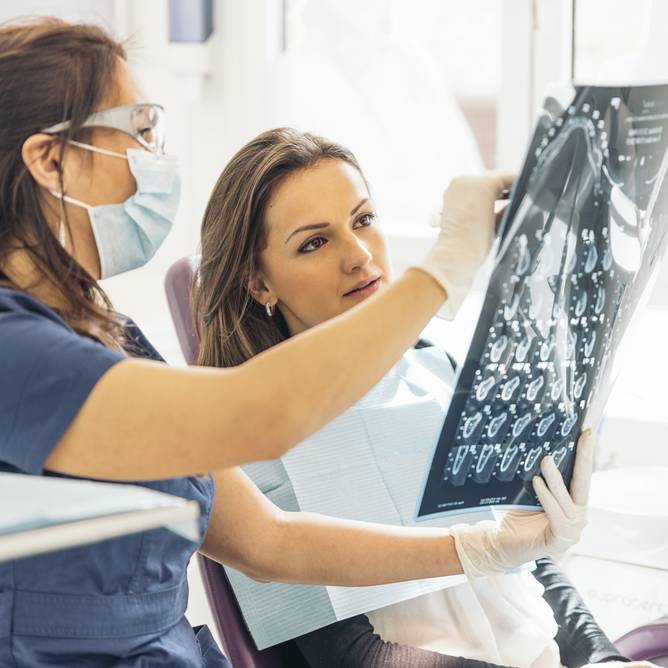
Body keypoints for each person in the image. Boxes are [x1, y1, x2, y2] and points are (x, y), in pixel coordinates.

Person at [0, 18, 591, 668]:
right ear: (49, 159)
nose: (154, 155)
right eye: (139, 130)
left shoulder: (106, 337)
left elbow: (269, 543)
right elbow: (261, 418)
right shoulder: (14, 351)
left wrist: (481, 547)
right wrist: (446, 265)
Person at [193, 128, 632, 668]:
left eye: (363, 220)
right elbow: (352, 656)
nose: (358, 255)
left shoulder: (434, 369)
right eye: (314, 242)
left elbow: (527, 558)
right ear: (259, 284)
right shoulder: (257, 439)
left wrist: (603, 659)